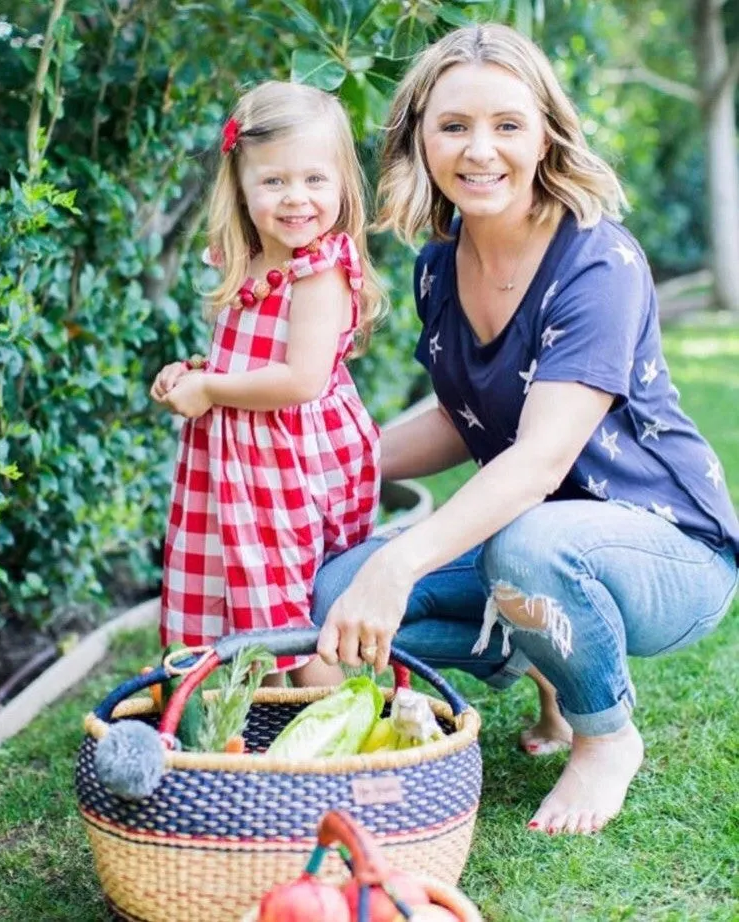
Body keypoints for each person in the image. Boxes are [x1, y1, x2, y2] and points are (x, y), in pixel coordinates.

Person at [311, 23, 739, 834]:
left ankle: (605, 733)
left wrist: (402, 561)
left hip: (667, 549)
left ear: (546, 132)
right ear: (420, 140)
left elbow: (540, 459)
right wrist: (338, 463)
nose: (481, 150)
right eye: (454, 126)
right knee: (340, 590)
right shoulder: (437, 264)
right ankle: (531, 651)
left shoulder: (596, 263)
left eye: (507, 124)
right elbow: (461, 411)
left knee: (525, 548)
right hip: (531, 532)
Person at [151, 81, 384, 685]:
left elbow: (302, 379)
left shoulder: (317, 272)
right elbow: (240, 359)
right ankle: (257, 731)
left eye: (314, 180)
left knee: (294, 603)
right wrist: (196, 375)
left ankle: (322, 741)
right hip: (239, 465)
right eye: (273, 181)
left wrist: (212, 393)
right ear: (241, 185)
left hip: (292, 463)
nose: (295, 199)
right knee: (245, 590)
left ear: (341, 184)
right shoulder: (245, 258)